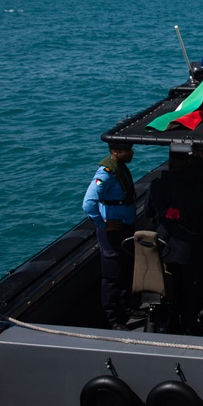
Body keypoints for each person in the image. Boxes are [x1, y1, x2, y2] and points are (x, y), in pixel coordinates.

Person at [146, 146, 203, 334]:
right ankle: (189, 327)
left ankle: (172, 325)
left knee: (171, 288)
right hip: (190, 249)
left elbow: (148, 212)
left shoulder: (156, 186)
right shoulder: (192, 190)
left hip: (164, 248)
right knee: (191, 291)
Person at [82, 141, 138, 331]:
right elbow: (88, 203)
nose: (131, 153)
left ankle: (125, 307)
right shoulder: (105, 173)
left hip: (125, 227)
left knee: (126, 268)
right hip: (113, 232)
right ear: (115, 152)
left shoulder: (119, 168)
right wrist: (102, 224)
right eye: (127, 151)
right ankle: (113, 319)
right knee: (112, 275)